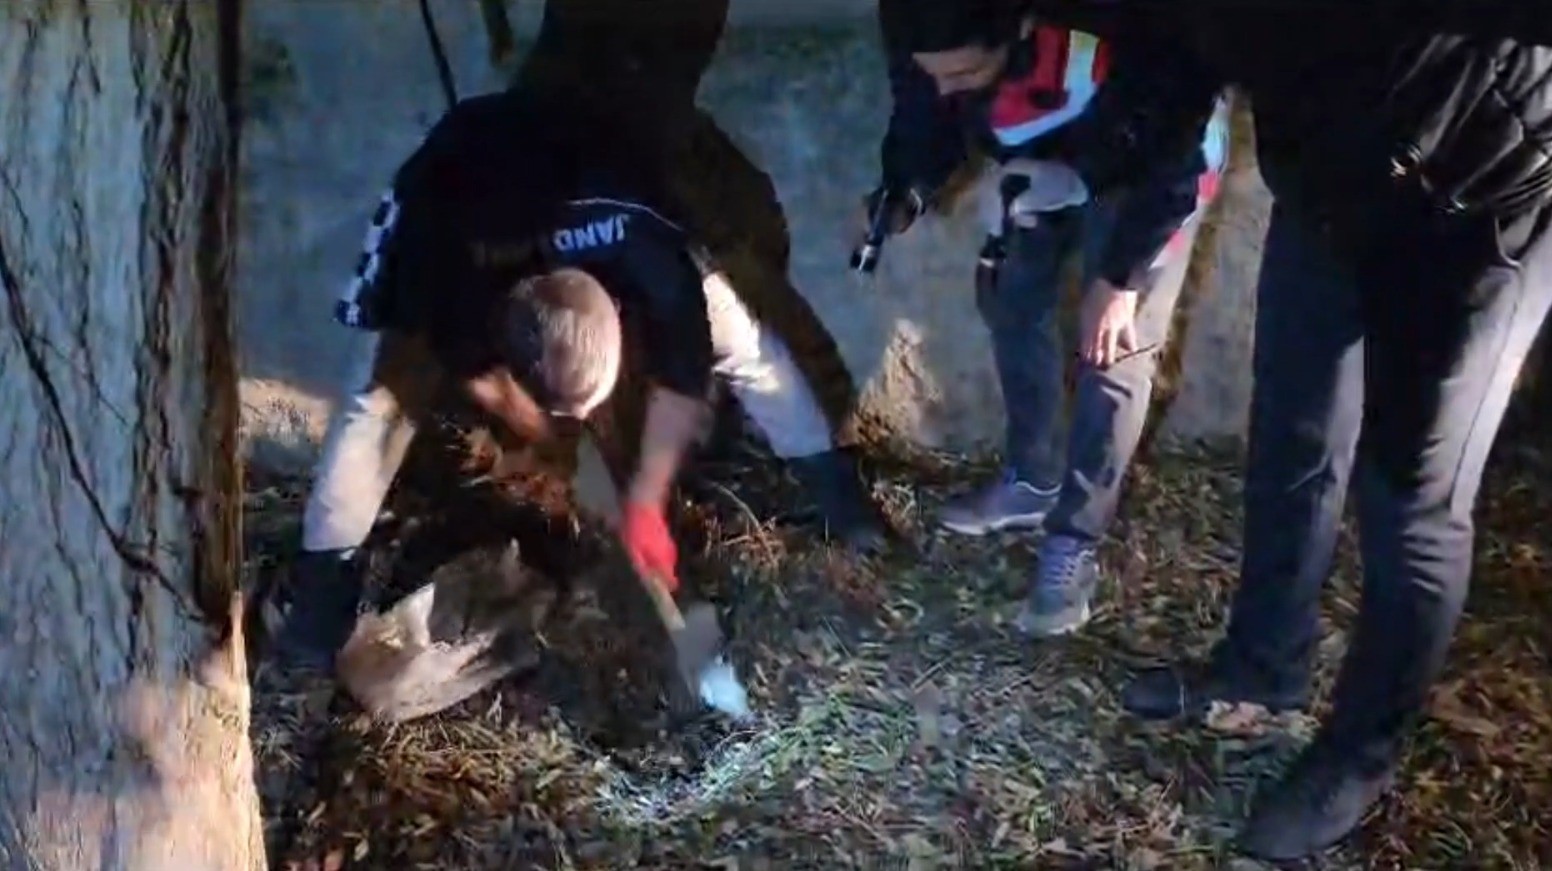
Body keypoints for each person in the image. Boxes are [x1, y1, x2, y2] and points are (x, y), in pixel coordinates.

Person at [910, 0, 1552, 859]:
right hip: (1323, 186)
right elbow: (1172, 72)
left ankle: (1358, 757)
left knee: (1412, 501)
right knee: (1294, 430)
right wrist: (1116, 252)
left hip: (1478, 200)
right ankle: (1261, 668)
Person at [272, 89, 889, 670]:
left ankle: (840, 495)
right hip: (456, 183)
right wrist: (550, 440)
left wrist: (645, 498)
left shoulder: (646, 249)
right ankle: (321, 594)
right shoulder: (443, 263)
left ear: (619, 309)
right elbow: (476, 374)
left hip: (586, 169)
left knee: (745, 344)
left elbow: (682, 374)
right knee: (378, 399)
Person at [862, 2, 1228, 636]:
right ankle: (1033, 479)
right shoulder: (917, 18)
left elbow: (1176, 158)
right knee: (1009, 293)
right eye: (935, 73)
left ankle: (1075, 539)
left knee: (1113, 347)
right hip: (1053, 136)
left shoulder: (1145, 33)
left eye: (964, 73)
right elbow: (926, 108)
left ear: (1021, 27)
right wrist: (905, 188)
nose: (946, 88)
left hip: (1158, 162)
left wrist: (1121, 280)